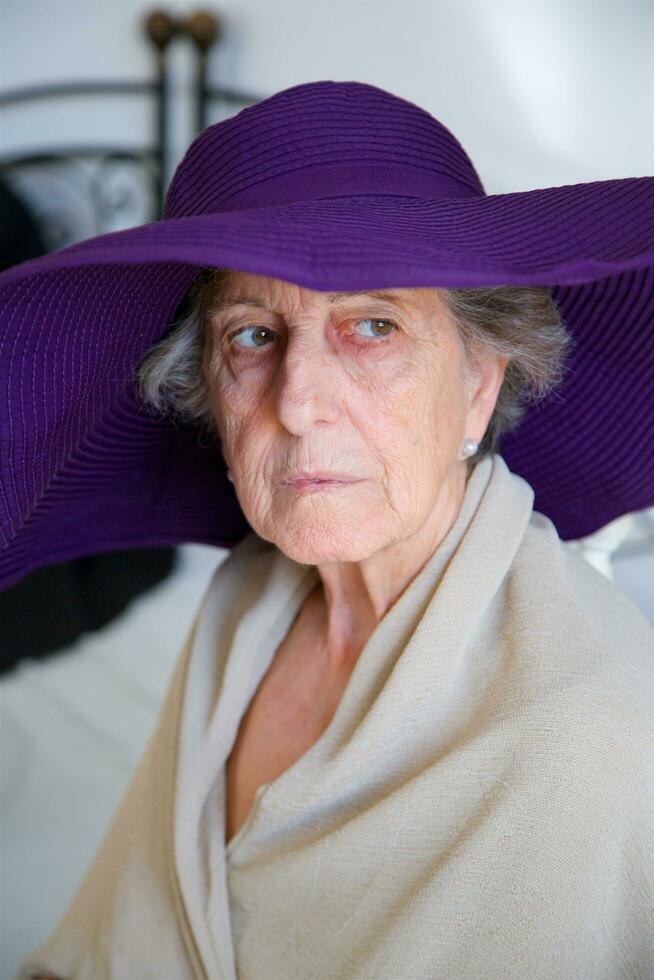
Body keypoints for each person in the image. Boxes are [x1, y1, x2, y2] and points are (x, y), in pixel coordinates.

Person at [1, 80, 652, 980]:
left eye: (373, 326)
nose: (299, 405)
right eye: (254, 337)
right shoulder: (253, 598)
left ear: (480, 383)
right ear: (210, 398)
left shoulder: (592, 731)